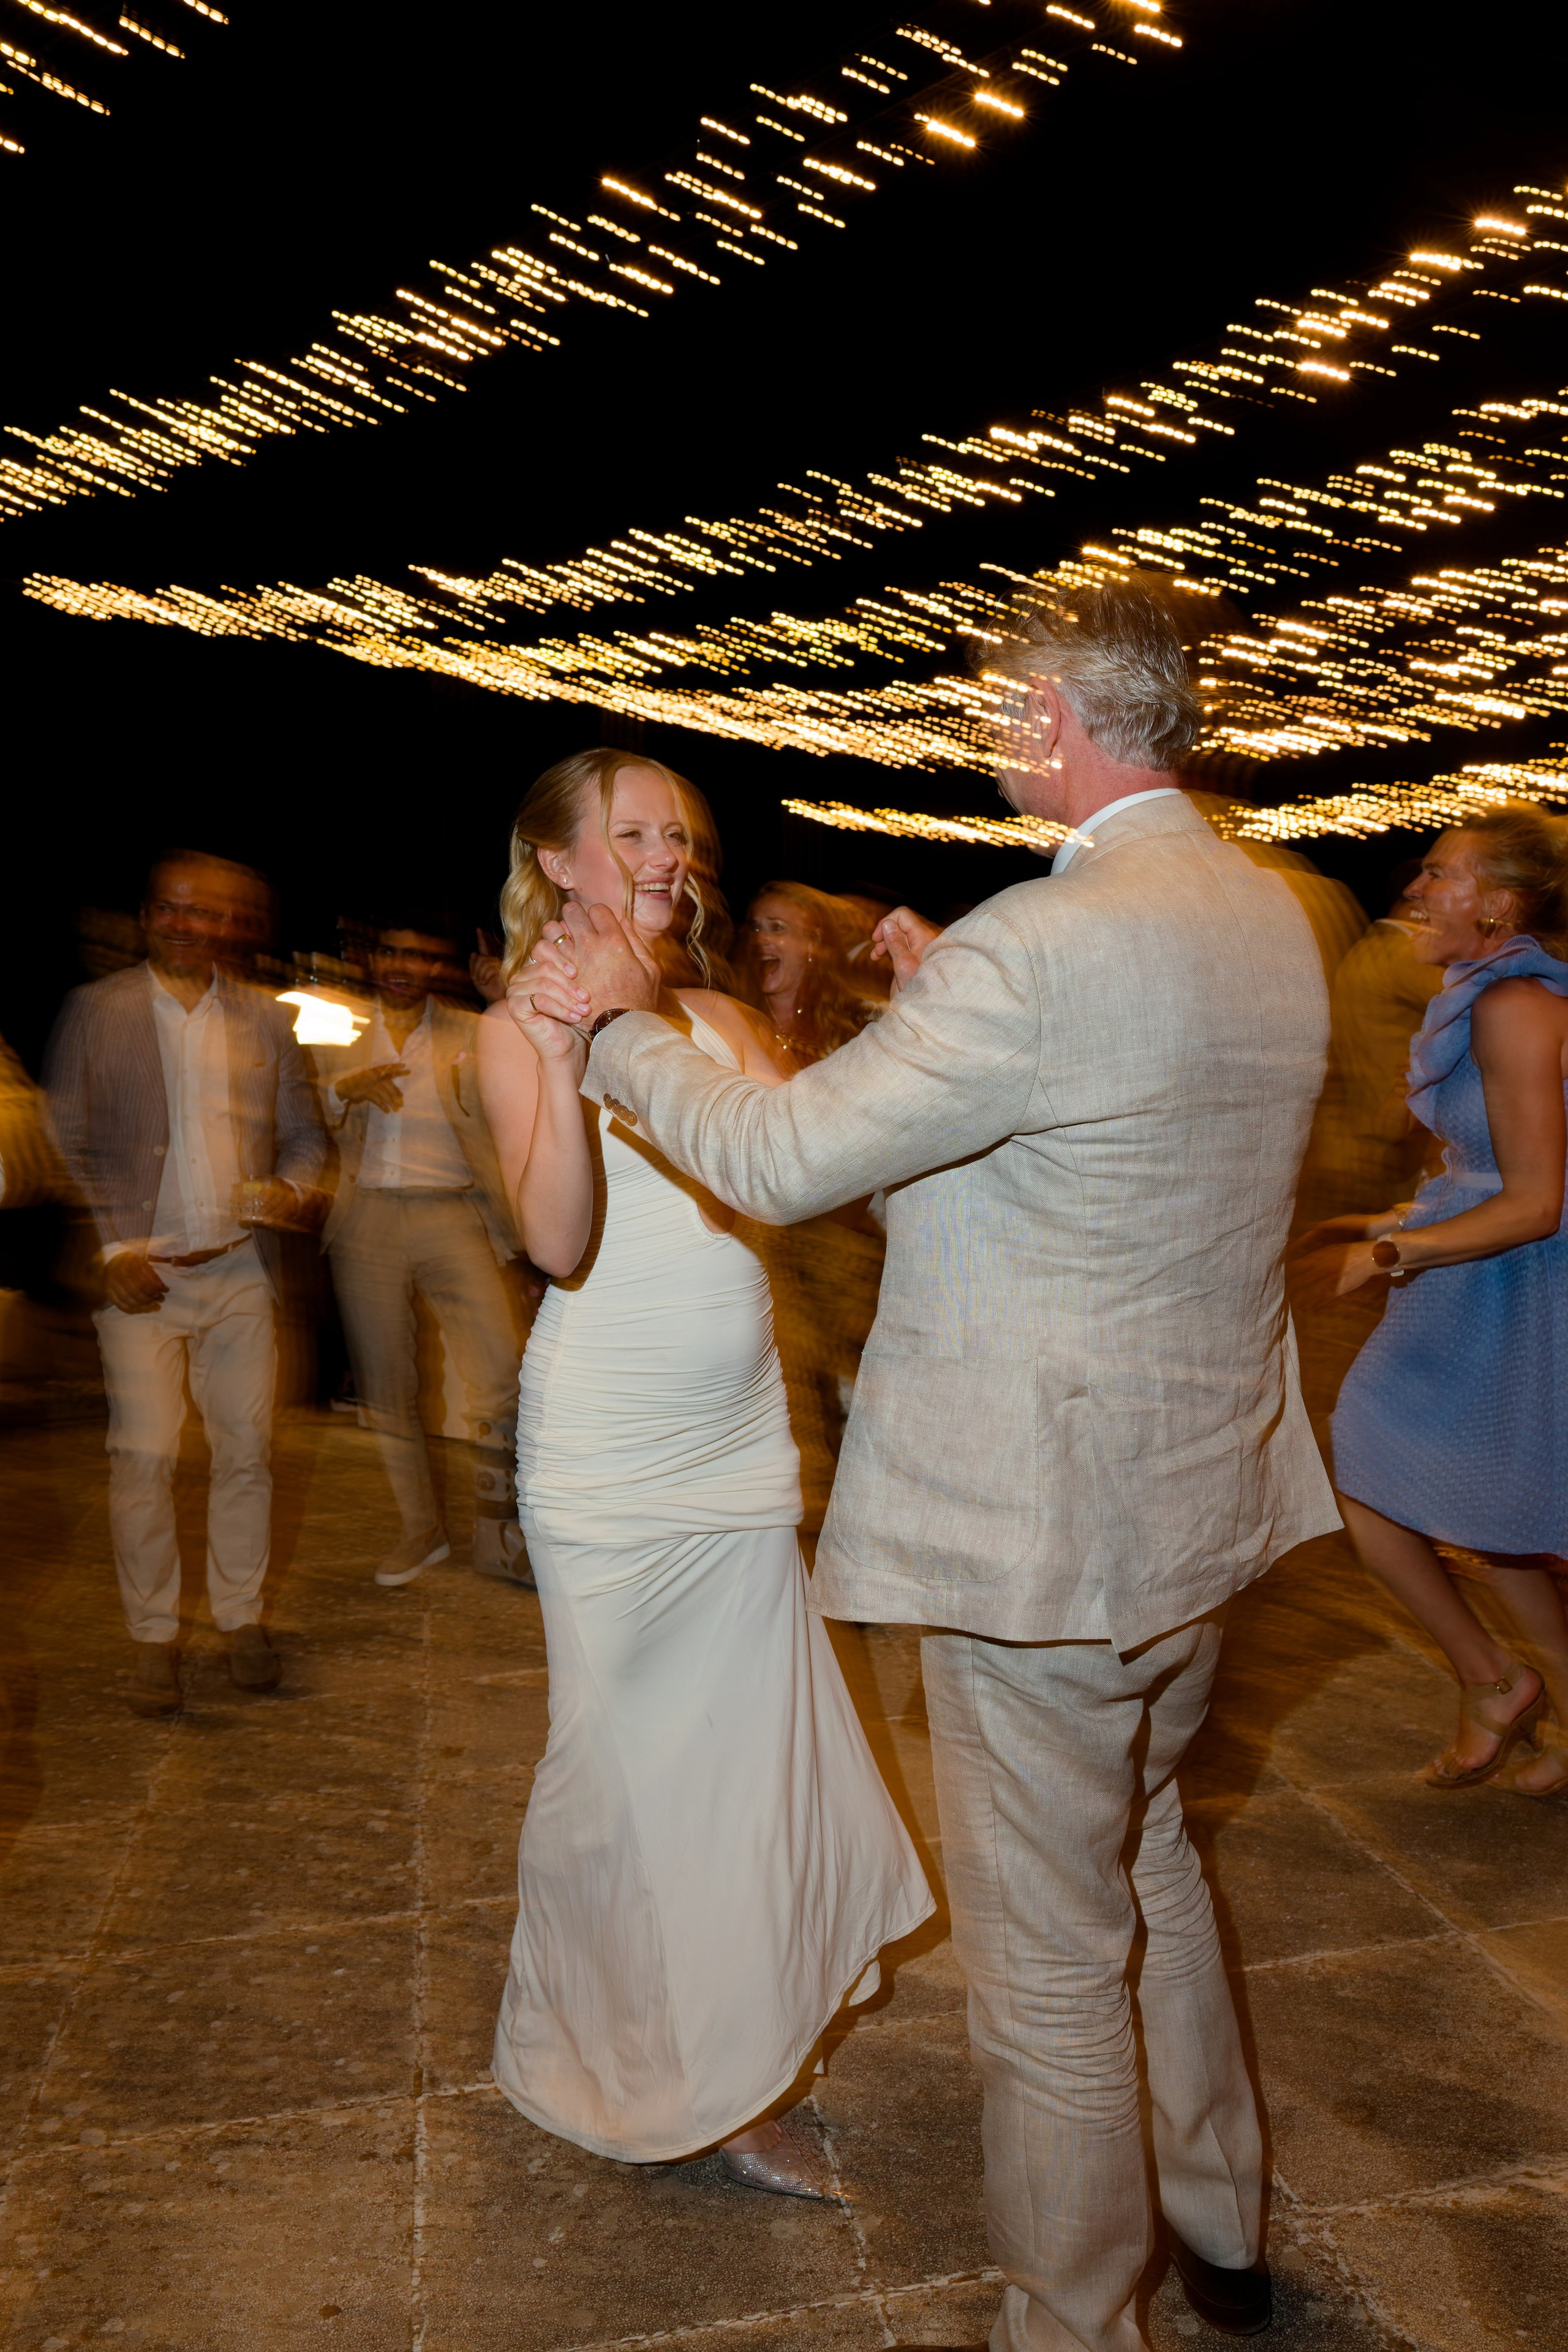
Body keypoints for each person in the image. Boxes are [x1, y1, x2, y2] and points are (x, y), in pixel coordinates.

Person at [526, 579, 1338, 2349]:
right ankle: (1222, 2224)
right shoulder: (1270, 921)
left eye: (995, 709)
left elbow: (787, 1156)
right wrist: (933, 1007)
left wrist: (620, 1028)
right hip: (1207, 1521)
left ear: (1052, 719)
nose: (987, 736)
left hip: (1039, 1548)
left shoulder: (1038, 950)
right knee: (1160, 1868)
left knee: (1049, 1980)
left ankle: (1073, 2324)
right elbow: (1087, 1160)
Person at [478, 747, 932, 2193]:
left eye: (677, 832)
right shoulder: (514, 1023)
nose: (666, 854)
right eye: (629, 833)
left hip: (736, 1441)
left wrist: (918, 1029)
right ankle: (613, 2044)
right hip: (609, 1452)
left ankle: (739, 2071)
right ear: (557, 860)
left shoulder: (726, 1014)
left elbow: (810, 1175)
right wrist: (563, 1050)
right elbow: (558, 1241)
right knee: (623, 1773)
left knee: (742, 1769)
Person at [1305, 805, 1568, 1799]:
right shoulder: (1489, 995)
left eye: (1441, 874)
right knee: (1493, 1514)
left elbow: (1539, 1201)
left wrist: (1385, 1252)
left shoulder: (1514, 1007)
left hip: (1515, 1284)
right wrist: (1386, 1216)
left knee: (1371, 1473)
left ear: (1498, 906)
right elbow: (1495, 1166)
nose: (1415, 890)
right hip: (1478, 1274)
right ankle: (1520, 1697)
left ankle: (1494, 1681)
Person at [44, 850, 327, 1718]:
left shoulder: (267, 1022)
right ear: (149, 915)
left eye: (214, 915)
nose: (194, 926)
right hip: (142, 1273)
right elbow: (70, 1138)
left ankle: (242, 1619)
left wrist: (293, 1188)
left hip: (240, 1269)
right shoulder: (99, 1011)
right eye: (177, 910)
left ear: (238, 929)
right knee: (145, 1460)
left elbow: (307, 1139)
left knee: (247, 1455)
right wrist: (109, 1250)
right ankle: (155, 1636)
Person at [314, 910, 530, 1588]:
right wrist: (338, 1091)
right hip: (367, 1221)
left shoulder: (473, 1029)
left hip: (456, 1214)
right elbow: (296, 1107)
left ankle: (504, 1528)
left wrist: (505, 996)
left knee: (502, 1373)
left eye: (421, 956)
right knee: (388, 1387)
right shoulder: (335, 1026)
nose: (406, 968)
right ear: (374, 959)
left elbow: (526, 1089)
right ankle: (421, 1530)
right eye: (393, 953)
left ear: (441, 967)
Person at [744, 881, 878, 1071]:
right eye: (756, 929)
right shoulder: (739, 1018)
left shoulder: (860, 1021)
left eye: (777, 928)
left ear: (811, 943)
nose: (760, 939)